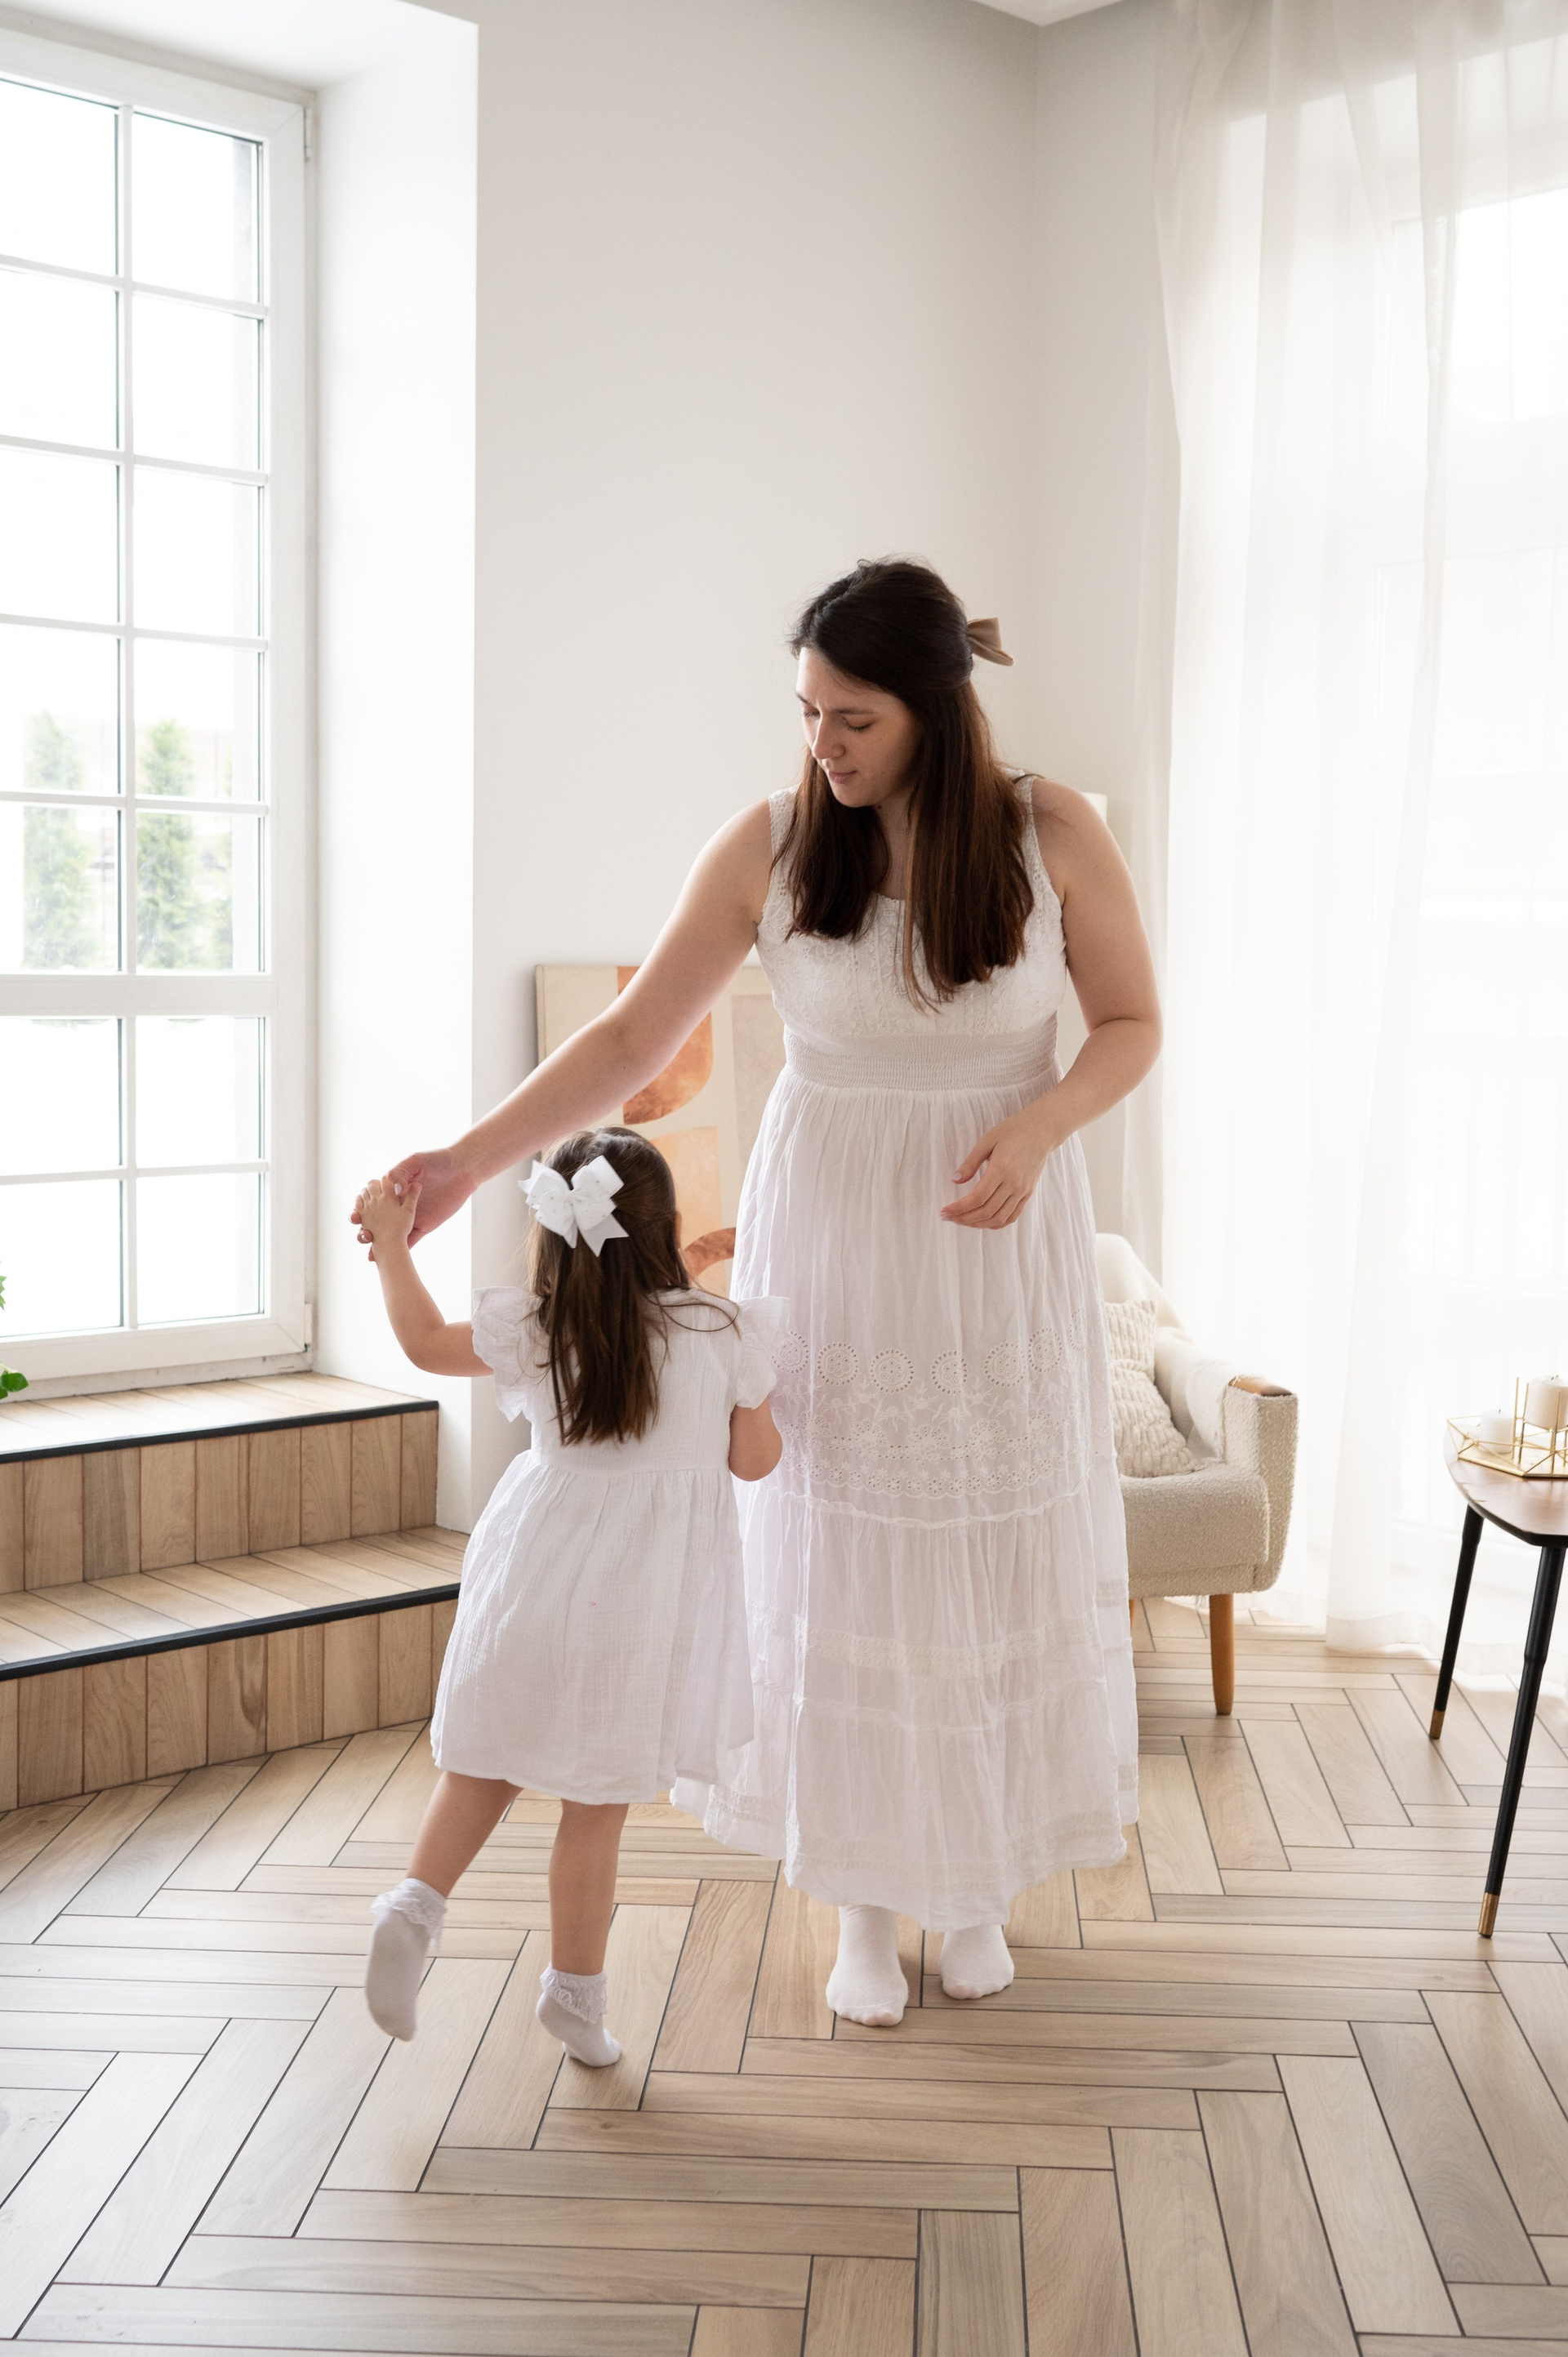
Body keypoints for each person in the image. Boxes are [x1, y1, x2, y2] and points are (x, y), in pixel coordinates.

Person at [365, 557, 1161, 2025]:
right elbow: (626, 1041)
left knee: (987, 1540)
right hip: (838, 1230)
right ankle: (861, 1897)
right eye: (806, 711)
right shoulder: (776, 844)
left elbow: (1129, 1022)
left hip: (998, 1227)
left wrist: (1044, 1127)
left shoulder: (1052, 831)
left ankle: (973, 1886)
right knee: (842, 1541)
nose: (822, 744)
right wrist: (469, 1163)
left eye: (853, 719)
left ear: (935, 707)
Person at [353, 1127, 783, 2061]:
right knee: (594, 1810)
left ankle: (413, 1907)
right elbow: (755, 1462)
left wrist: (390, 1242)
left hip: (533, 1577)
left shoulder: (542, 1326)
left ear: (555, 1231)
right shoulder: (723, 1333)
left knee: (484, 1768)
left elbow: (423, 1343)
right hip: (641, 1611)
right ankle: (576, 2002)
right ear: (665, 1228)